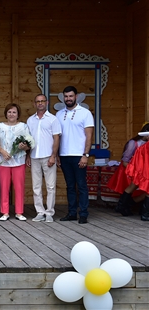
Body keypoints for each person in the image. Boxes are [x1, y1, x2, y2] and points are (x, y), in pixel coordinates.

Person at [57, 85, 94, 224]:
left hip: (79, 154)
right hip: (64, 155)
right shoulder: (59, 114)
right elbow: (57, 137)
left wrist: (86, 154)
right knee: (70, 186)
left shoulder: (85, 113)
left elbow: (89, 136)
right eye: (66, 96)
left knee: (81, 185)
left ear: (76, 97)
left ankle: (83, 213)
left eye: (71, 96)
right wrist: (57, 155)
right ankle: (72, 213)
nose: (68, 99)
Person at [26, 94, 61, 223]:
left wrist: (53, 156)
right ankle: (40, 212)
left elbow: (56, 138)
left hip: (48, 156)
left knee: (50, 186)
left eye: (42, 101)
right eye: (38, 101)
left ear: (46, 103)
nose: (40, 103)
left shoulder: (53, 119)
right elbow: (28, 140)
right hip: (34, 156)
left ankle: (50, 212)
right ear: (34, 104)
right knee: (36, 186)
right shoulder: (30, 120)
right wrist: (28, 155)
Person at [0, 103, 31, 221]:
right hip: (4, 162)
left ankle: (19, 212)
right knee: (4, 187)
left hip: (19, 161)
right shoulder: (0, 126)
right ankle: (5, 212)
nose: (11, 114)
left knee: (19, 187)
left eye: (14, 112)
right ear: (6, 113)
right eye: (9, 112)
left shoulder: (23, 126)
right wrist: (3, 152)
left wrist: (23, 146)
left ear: (18, 114)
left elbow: (29, 144)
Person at [108, 122, 149, 216]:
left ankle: (125, 206)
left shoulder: (144, 146)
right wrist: (134, 171)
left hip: (141, 171)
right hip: (131, 169)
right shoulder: (134, 144)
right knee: (135, 187)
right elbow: (125, 160)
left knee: (138, 188)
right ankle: (142, 212)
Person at [125, 140, 149, 220]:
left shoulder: (143, 147)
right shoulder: (144, 147)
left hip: (143, 170)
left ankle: (124, 206)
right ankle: (145, 214)